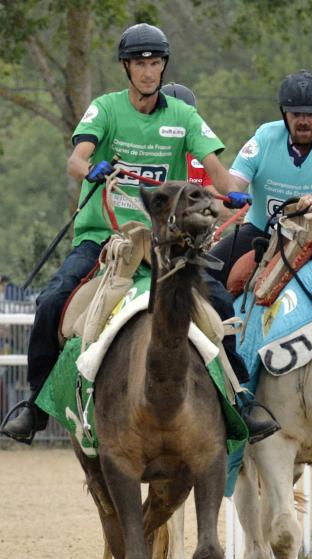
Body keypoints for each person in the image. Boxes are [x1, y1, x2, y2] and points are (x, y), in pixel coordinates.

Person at [1, 23, 277, 443]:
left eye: (155, 63)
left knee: (219, 301)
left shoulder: (183, 116)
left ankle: (241, 398)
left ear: (164, 66)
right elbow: (76, 159)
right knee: (52, 300)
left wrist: (233, 197)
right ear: (126, 68)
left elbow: (219, 174)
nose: (148, 72)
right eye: (140, 64)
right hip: (104, 239)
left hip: (167, 244)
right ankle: (35, 407)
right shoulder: (106, 109)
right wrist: (90, 168)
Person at [208, 69, 312, 283]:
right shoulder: (264, 138)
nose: (303, 121)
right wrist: (218, 198)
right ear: (284, 113)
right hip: (261, 233)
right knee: (201, 273)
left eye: (311, 114)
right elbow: (233, 185)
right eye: (296, 114)